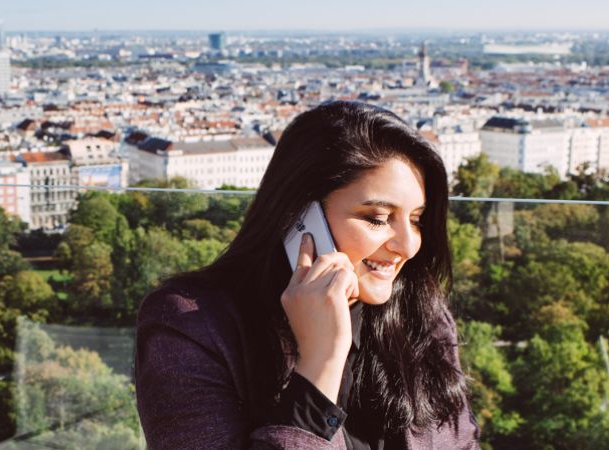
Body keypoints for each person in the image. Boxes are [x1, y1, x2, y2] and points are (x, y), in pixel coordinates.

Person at [134, 101, 478, 449]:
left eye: (416, 220)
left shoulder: (420, 311)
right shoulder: (191, 326)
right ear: (299, 216)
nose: (407, 245)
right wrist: (320, 364)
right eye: (377, 218)